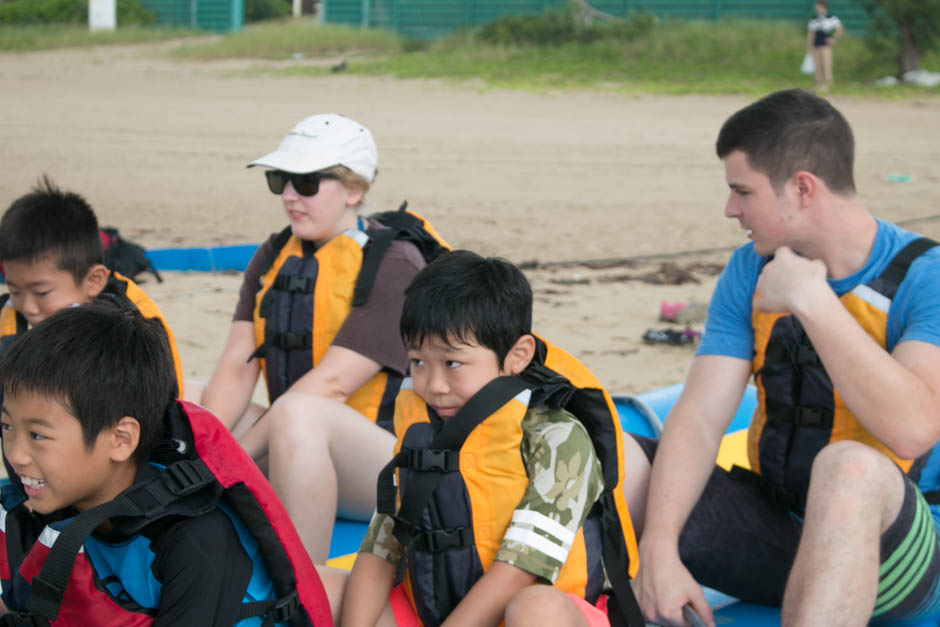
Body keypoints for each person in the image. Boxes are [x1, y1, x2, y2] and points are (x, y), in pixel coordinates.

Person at [625, 88, 940, 627]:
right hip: (778, 530)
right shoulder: (750, 269)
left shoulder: (925, 276)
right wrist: (658, 545)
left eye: (741, 191)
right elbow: (700, 418)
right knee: (615, 449)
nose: (730, 209)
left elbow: (913, 430)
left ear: (801, 189)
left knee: (848, 467)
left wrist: (813, 301)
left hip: (900, 555)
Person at [339, 250, 641, 627]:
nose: (433, 386)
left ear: (517, 355)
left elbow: (520, 568)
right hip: (435, 612)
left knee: (536, 608)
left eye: (452, 363)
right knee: (328, 587)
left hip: (540, 615)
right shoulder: (422, 434)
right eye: (417, 361)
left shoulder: (556, 438)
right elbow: (380, 547)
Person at [0, 303, 336, 625]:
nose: (15, 455)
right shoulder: (43, 504)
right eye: (7, 427)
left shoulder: (194, 540)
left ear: (120, 440)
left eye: (38, 436)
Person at [197, 113, 427, 563]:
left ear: (354, 190)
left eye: (306, 183)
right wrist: (203, 449)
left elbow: (332, 385)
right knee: (185, 401)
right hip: (295, 446)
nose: (287, 195)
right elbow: (235, 365)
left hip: (384, 463)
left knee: (300, 412)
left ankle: (305, 588)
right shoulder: (272, 255)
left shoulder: (394, 263)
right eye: (280, 180)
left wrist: (230, 460)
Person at [0, 176, 183, 391]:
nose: (28, 307)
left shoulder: (130, 331)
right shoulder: (10, 314)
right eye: (15, 291)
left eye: (42, 292)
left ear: (93, 281)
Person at [807, 0, 843, 92]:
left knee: (826, 64)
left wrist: (834, 38)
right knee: (817, 65)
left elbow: (839, 28)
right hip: (816, 45)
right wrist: (809, 46)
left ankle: (827, 84)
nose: (816, 8)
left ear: (823, 7)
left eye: (818, 6)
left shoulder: (830, 17)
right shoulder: (814, 18)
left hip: (825, 45)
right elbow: (811, 33)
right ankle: (818, 83)